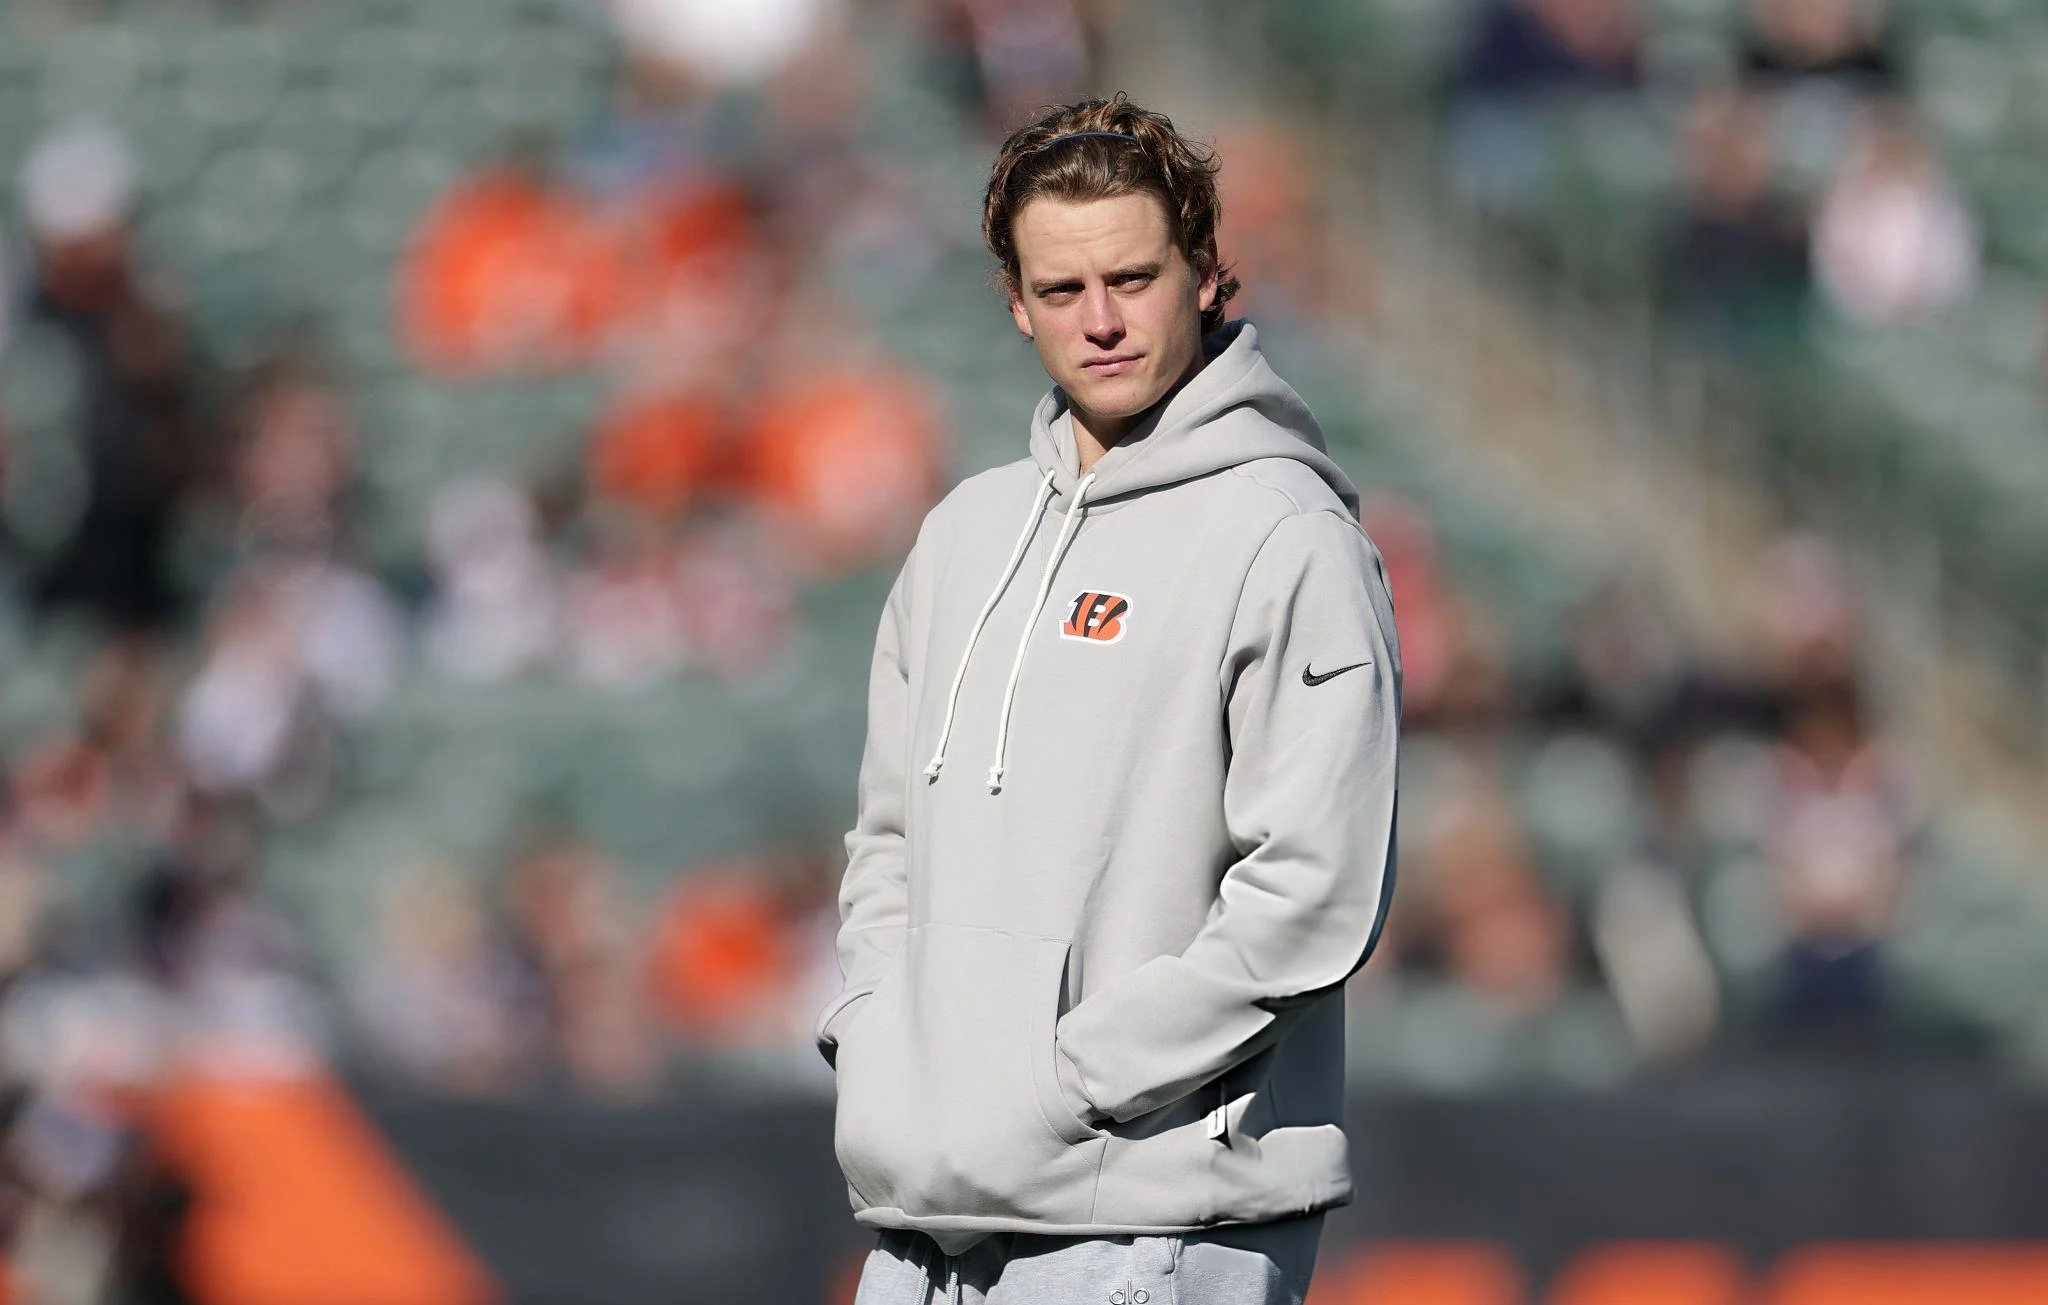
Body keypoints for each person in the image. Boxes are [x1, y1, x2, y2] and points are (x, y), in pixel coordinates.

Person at [814, 95, 1402, 1305]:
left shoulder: (1284, 534)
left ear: (1204, 275)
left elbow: (1310, 896)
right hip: (921, 1223)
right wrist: (885, 1049)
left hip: (1146, 1225)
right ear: (1014, 303)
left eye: (1131, 277)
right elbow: (886, 844)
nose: (1100, 321)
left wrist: (1065, 1085)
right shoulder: (962, 533)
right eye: (1063, 289)